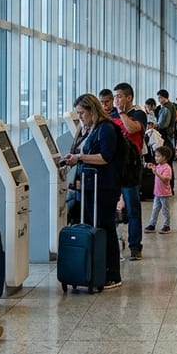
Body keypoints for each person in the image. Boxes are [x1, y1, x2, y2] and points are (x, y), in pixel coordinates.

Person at [63, 93, 123, 289]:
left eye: (81, 113)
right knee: (92, 226)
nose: (79, 116)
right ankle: (96, 269)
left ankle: (113, 273)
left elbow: (106, 157)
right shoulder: (89, 129)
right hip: (90, 186)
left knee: (105, 227)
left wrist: (80, 158)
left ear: (92, 110)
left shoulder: (106, 129)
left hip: (103, 187)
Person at [111, 82, 147, 262]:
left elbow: (133, 129)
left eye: (119, 96)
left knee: (133, 208)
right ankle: (114, 244)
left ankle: (135, 246)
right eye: (115, 97)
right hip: (113, 167)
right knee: (111, 207)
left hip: (131, 167)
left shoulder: (138, 114)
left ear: (129, 97)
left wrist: (122, 114)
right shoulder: (111, 114)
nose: (116, 100)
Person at [145, 146, 174, 234]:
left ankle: (166, 225)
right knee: (155, 209)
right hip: (157, 193)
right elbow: (155, 168)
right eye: (156, 156)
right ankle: (152, 224)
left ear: (164, 157)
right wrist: (152, 167)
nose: (156, 158)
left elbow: (166, 179)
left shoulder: (167, 168)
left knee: (165, 210)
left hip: (165, 194)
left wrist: (156, 173)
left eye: (158, 156)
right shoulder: (158, 166)